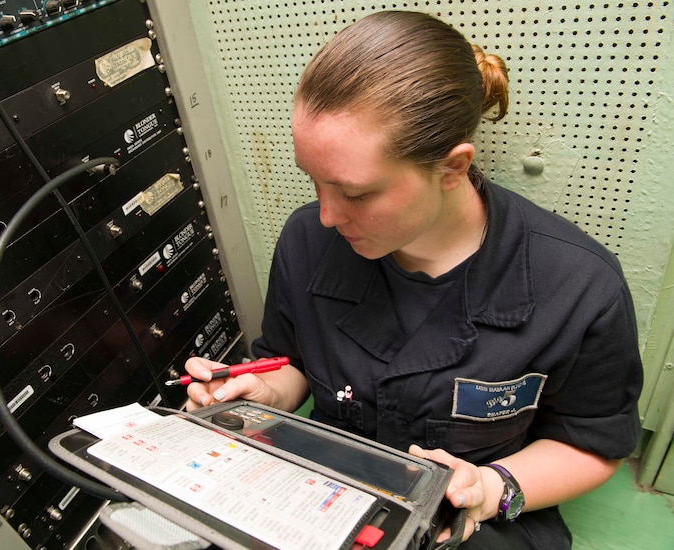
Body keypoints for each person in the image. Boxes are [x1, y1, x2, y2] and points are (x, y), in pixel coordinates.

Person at [183, 10, 643, 549]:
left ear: (451, 168)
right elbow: (295, 363)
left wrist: (493, 488)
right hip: (328, 499)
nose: (326, 214)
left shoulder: (579, 287)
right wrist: (264, 392)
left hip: (472, 520)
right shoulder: (309, 240)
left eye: (355, 194)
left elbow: (590, 443)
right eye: (314, 182)